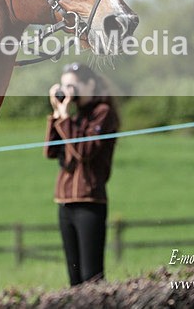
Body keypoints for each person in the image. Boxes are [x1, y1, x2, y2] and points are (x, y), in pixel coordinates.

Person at [44, 62, 119, 286]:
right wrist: (57, 115)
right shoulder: (74, 117)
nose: (68, 92)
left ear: (90, 85)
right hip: (65, 202)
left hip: (89, 202)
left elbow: (84, 151)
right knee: (74, 278)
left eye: (72, 86)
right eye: (64, 86)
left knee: (91, 276)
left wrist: (66, 119)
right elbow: (50, 152)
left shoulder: (103, 114)